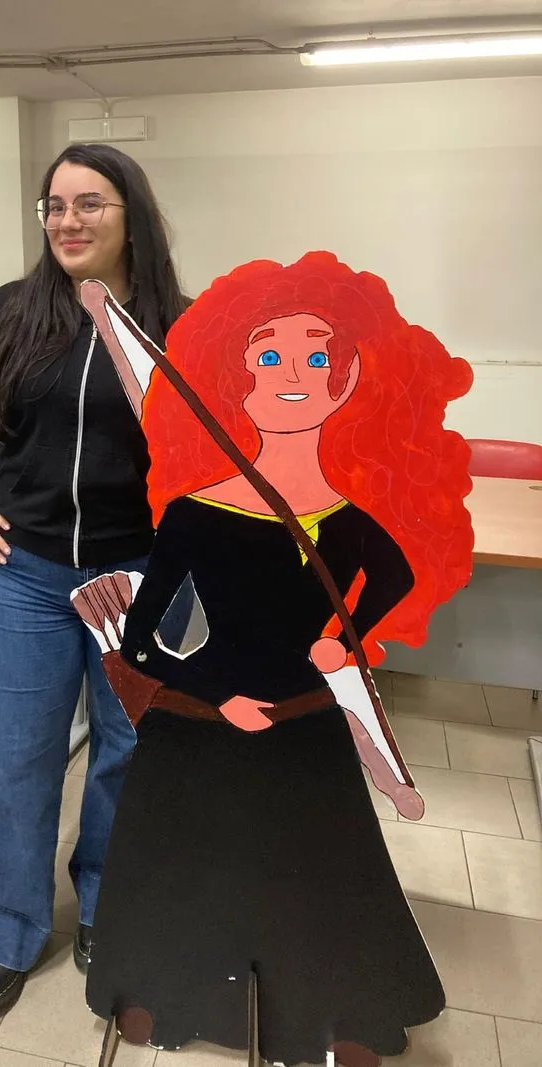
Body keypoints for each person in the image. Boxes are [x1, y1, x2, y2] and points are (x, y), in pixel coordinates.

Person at [74, 255, 473, 1066]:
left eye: (315, 356)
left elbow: (395, 576)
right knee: (184, 865)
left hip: (304, 722)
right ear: (241, 383)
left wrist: (345, 636)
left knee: (320, 868)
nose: (293, 373)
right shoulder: (196, 512)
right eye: (269, 356)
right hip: (202, 724)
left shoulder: (347, 518)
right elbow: (143, 641)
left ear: (343, 380)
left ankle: (334, 1015)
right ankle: (164, 995)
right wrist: (219, 696)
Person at [0, 143, 190, 1021]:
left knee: (127, 751)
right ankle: (7, 927)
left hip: (137, 576)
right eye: (55, 206)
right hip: (28, 577)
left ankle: (109, 901)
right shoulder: (12, 312)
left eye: (89, 203)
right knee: (21, 757)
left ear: (130, 216)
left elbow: (217, 454)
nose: (68, 221)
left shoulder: (179, 327)